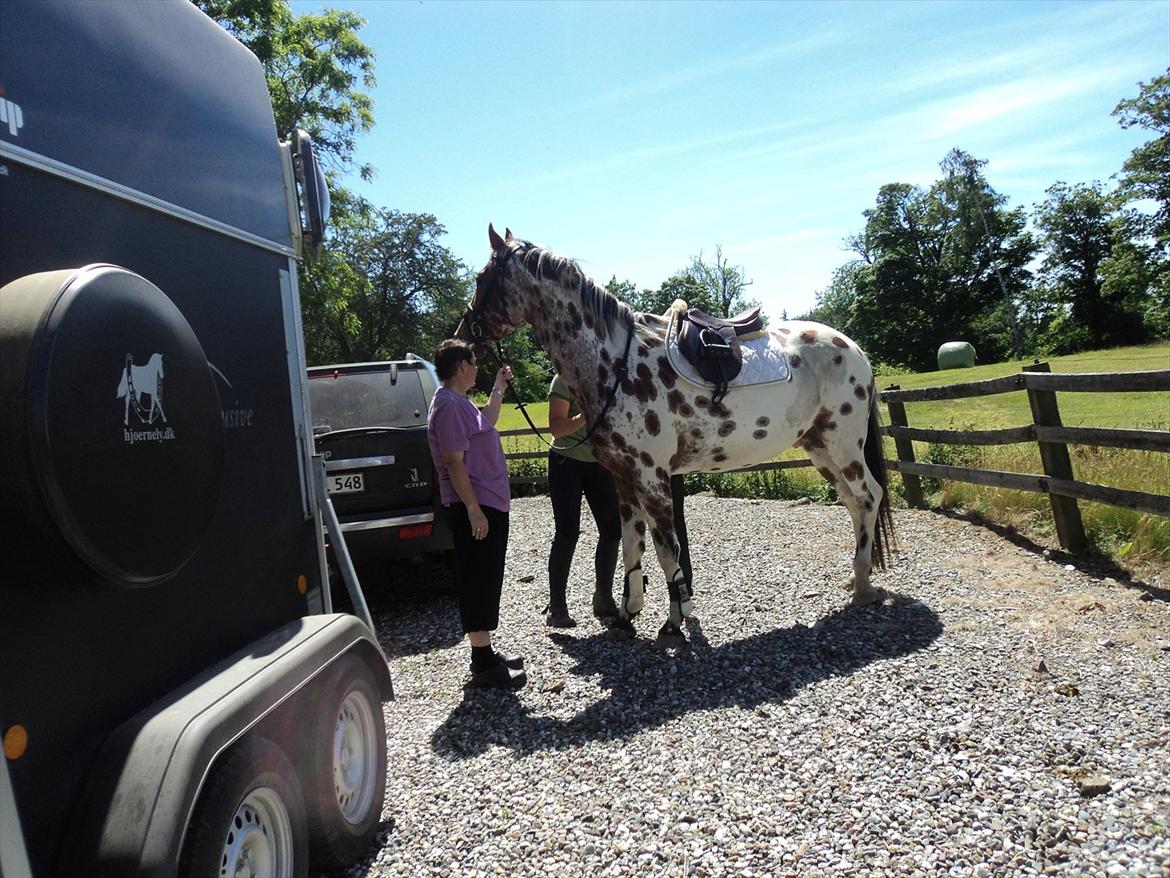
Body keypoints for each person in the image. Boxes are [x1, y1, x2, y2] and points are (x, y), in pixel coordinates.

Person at [427, 339, 526, 689]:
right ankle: (482, 663)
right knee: (476, 579)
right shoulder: (450, 406)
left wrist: (498, 388)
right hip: (477, 506)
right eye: (473, 362)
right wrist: (472, 509)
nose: (477, 368)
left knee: (486, 576)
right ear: (460, 367)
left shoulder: (459, 402)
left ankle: (485, 653)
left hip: (487, 503)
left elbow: (488, 422)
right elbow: (454, 462)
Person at [545, 373, 621, 627]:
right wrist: (587, 415)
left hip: (599, 461)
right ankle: (557, 607)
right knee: (567, 533)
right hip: (566, 461)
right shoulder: (563, 380)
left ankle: (603, 597)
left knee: (612, 530)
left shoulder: (605, 377)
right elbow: (556, 426)